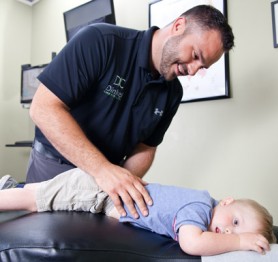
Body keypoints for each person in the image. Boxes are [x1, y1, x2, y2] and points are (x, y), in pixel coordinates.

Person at [27, 5, 234, 219]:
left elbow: (146, 148)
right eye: (195, 55)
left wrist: (122, 185)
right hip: (54, 167)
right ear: (179, 26)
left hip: (105, 182)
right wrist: (102, 170)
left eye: (202, 67)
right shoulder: (100, 40)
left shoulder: (173, 93)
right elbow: (43, 108)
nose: (192, 70)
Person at [0, 169, 275, 256]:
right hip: (100, 191)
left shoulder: (203, 206)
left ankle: (10, 187)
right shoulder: (200, 208)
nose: (228, 232)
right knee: (35, 200)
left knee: (48, 192)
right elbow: (192, 244)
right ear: (226, 201)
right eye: (235, 222)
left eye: (237, 231)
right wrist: (240, 242)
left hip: (105, 197)